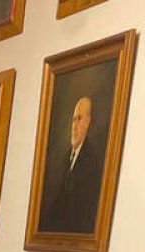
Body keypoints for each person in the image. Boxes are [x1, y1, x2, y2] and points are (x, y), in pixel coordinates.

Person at [40, 96, 103, 234]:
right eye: (73, 120)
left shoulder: (92, 161)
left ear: (87, 122)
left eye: (79, 119)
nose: (74, 126)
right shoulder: (64, 159)